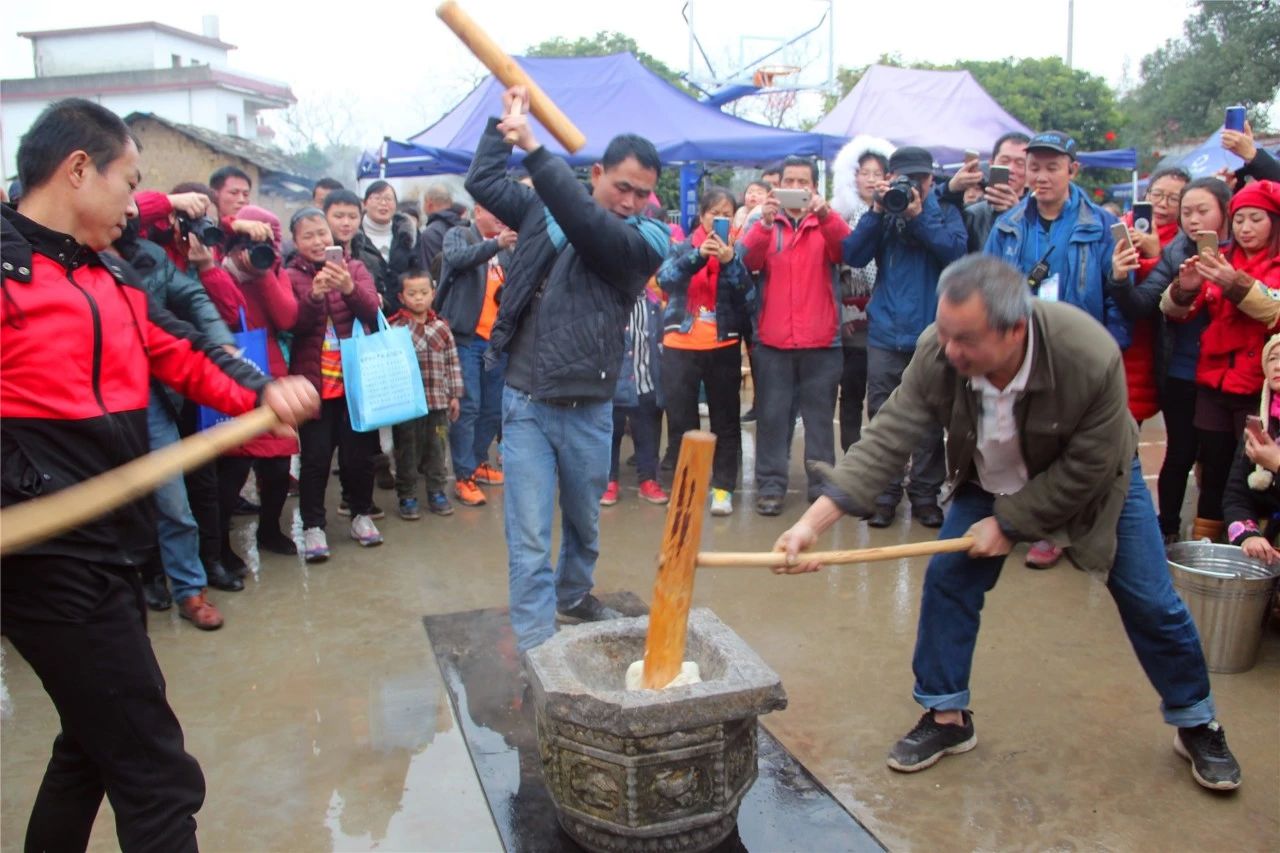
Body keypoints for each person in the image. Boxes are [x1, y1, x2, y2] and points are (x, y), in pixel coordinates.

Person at [773, 254, 1242, 792]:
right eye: (944, 333)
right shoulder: (941, 348)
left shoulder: (1086, 355)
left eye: (965, 339)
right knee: (949, 583)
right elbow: (889, 435)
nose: (951, 350)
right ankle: (947, 718)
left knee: (1150, 600)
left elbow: (1088, 468)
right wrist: (815, 521)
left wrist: (1010, 524)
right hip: (988, 475)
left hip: (1095, 479)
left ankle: (1196, 719)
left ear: (1016, 329)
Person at [1, 98, 319, 852]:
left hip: (113, 538)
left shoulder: (106, 275)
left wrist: (261, 392)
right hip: (45, 556)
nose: (134, 201)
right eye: (129, 180)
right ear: (79, 170)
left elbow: (176, 351)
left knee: (90, 742)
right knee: (156, 774)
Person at [465, 84, 669, 652]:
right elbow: (482, 184)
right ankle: (534, 642)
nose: (630, 201)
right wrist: (503, 127)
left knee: (584, 523)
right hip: (525, 402)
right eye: (622, 186)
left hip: (590, 407)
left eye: (642, 194)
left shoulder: (645, 239)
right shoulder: (546, 208)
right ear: (598, 172)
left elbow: (588, 225)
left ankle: (574, 593)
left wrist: (537, 153)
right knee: (528, 536)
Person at [985, 130, 1127, 569]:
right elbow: (989, 285)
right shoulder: (1006, 225)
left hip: (1077, 348)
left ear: (1072, 169)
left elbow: (1116, 293)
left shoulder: (1100, 224)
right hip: (1021, 346)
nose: (1041, 177)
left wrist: (1111, 348)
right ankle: (1029, 516)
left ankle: (1060, 530)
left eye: (1052, 167)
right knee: (1027, 432)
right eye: (1034, 167)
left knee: (1072, 437)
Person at [112, 219, 242, 627]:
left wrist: (222, 343)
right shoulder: (33, 259)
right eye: (126, 182)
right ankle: (143, 580)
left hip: (149, 395)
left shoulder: (147, 257)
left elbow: (190, 305)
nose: (128, 203)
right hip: (79, 405)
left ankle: (189, 589)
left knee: (173, 501)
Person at [843, 146, 967, 528]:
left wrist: (917, 217)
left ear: (932, 179)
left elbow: (956, 253)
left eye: (920, 179)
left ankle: (925, 495)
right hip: (884, 333)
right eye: (904, 179)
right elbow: (852, 254)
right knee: (882, 417)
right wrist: (878, 211)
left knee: (931, 420)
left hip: (932, 335)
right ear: (890, 178)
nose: (913, 187)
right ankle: (884, 494)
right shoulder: (882, 214)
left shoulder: (945, 214)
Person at [1106, 177, 1231, 542]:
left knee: (1218, 457)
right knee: (1179, 455)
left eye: (1201, 211)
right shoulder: (1176, 253)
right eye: (1186, 211)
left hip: (1228, 376)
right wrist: (1119, 278)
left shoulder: (1240, 253)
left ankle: (1211, 538)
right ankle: (1167, 532)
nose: (1192, 220)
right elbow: (1141, 304)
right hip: (1180, 372)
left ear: (1225, 210)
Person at [1160, 180, 1280, 542]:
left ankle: (1251, 550)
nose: (1244, 228)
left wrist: (1234, 283)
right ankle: (1207, 549)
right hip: (1212, 384)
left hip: (1257, 390)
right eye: (1239, 219)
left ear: (1274, 221)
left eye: (1255, 219)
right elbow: (1170, 309)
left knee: (1249, 473)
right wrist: (1187, 286)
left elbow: (1273, 310)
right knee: (1212, 470)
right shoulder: (1219, 258)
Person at [741, 155, 852, 516]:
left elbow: (847, 251)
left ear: (815, 187)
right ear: (778, 185)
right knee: (772, 418)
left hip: (822, 342)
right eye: (790, 180)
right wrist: (763, 224)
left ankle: (821, 486)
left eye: (804, 182)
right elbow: (745, 263)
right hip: (773, 341)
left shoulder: (827, 224)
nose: (797, 187)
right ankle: (771, 485)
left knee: (820, 420)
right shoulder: (765, 224)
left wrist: (826, 215)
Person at [287, 205, 385, 560]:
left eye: (322, 234)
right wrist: (313, 295)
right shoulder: (290, 275)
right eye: (308, 236)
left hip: (354, 385)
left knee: (359, 458)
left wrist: (347, 287)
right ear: (295, 241)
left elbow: (373, 311)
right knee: (314, 460)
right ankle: (313, 526)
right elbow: (292, 324)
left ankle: (361, 515)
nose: (317, 241)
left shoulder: (355, 267)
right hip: (314, 386)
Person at [208, 205, 301, 570]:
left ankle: (270, 529)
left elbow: (287, 317)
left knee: (278, 463)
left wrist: (262, 273)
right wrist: (230, 263)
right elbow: (220, 315)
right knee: (232, 469)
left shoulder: (273, 270)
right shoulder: (215, 268)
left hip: (270, 372)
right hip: (228, 373)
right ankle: (219, 546)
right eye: (250, 239)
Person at [656, 186, 752, 516]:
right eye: (715, 213)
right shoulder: (681, 247)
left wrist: (728, 262)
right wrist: (699, 256)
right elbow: (665, 280)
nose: (721, 219)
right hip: (680, 345)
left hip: (723, 344)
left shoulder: (735, 252)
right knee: (682, 423)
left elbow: (747, 297)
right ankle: (687, 489)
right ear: (702, 216)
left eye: (727, 214)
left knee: (726, 423)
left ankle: (723, 488)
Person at [438, 202, 516, 507]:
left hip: (497, 342)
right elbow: (458, 260)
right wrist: (496, 244)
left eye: (502, 212)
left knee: (494, 409)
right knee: (467, 408)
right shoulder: (459, 235)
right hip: (464, 338)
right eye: (490, 211)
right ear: (476, 211)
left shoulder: (509, 247)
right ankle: (463, 476)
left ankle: (478, 462)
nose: (498, 217)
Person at [1109, 168, 1192, 426]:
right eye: (1157, 194)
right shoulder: (1118, 227)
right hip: (1115, 337)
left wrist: (1154, 256)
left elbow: (1152, 300)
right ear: (1146, 194)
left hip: (1152, 345)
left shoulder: (1185, 242)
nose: (1162, 204)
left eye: (1173, 199)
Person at [832, 137, 894, 453]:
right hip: (850, 325)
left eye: (877, 173)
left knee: (885, 397)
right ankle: (852, 456)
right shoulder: (838, 216)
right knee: (851, 395)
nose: (871, 179)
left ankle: (882, 460)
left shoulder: (895, 216)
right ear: (853, 176)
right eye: (865, 172)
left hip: (885, 324)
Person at [388, 271, 464, 519]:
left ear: (433, 293)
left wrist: (454, 395)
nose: (418, 299)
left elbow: (452, 362)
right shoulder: (395, 328)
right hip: (407, 406)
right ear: (401, 296)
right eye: (412, 294)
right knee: (406, 450)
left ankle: (436, 491)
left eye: (424, 293)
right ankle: (407, 495)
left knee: (437, 448)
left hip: (438, 403)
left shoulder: (441, 328)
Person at [604, 283, 669, 506]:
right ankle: (608, 480)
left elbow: (660, 339)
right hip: (613, 385)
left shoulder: (653, 304)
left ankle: (648, 479)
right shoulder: (608, 300)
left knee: (648, 435)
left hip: (645, 382)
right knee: (609, 434)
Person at [1224, 334, 1280, 563]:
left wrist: (1276, 464)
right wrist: (1248, 536)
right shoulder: (1262, 424)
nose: (1277, 365)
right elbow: (1235, 495)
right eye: (1272, 359)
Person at [953, 132, 1030, 252]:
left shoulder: (1038, 215)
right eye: (1004, 161)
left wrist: (1019, 214)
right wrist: (951, 190)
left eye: (1020, 163)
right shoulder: (973, 214)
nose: (1011, 169)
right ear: (991, 163)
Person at [354, 179, 421, 312]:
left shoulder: (408, 234)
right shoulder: (354, 237)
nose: (383, 203)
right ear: (365, 203)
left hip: (404, 313)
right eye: (377, 198)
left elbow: (418, 269)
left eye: (388, 199)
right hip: (369, 312)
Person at [419, 182, 463, 275]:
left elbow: (430, 272)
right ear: (450, 202)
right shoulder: (466, 227)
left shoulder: (430, 233)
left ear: (429, 204)